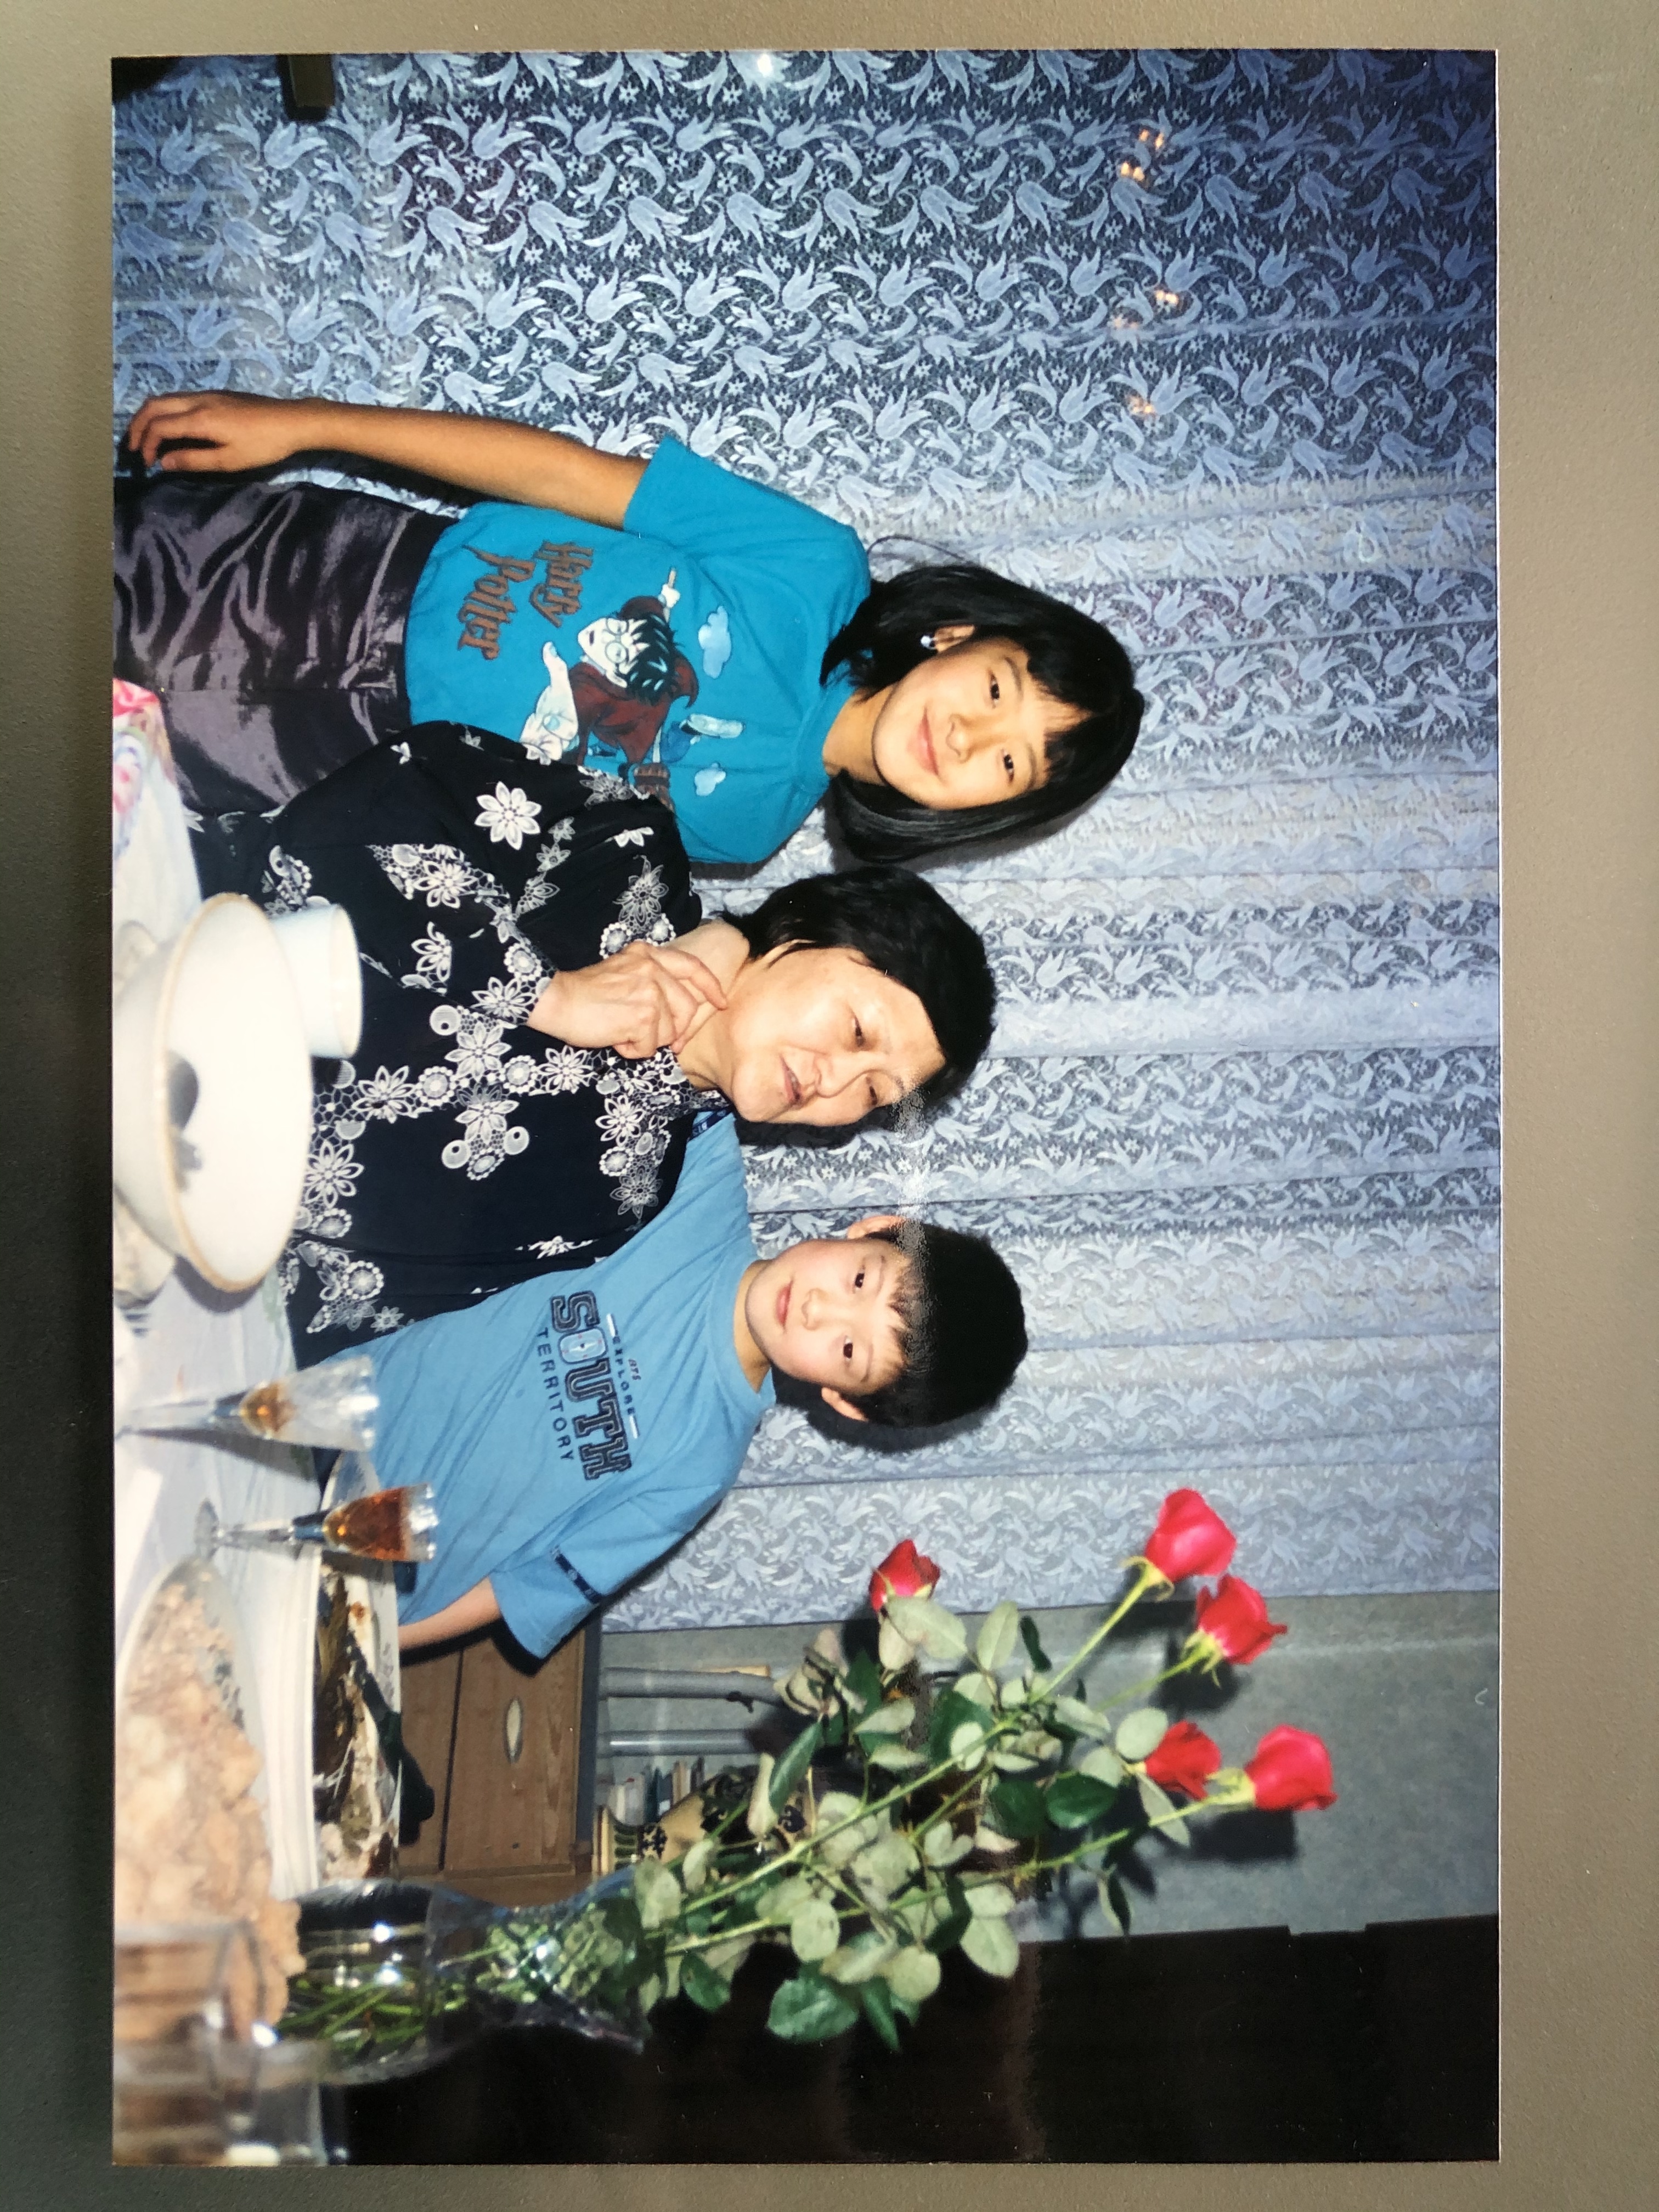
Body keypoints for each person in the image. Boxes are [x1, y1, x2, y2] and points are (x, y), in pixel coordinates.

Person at [208, 718, 995, 1361]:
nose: (835, 1082)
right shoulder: (627, 855)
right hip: (171, 960)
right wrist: (549, 995)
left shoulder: (628, 1195)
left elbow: (351, 1298)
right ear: (802, 936)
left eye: (873, 1093)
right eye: (857, 1031)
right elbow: (360, 822)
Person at [117, 391, 1144, 864]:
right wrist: (306, 423)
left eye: (1006, 766)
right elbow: (558, 472)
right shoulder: (812, 566)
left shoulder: (744, 832)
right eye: (999, 692)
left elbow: (498, 838)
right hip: (335, 575)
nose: (966, 738)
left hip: (332, 766)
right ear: (958, 636)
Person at [322, 1113, 1028, 1658]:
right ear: (875, 1227)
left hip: (350, 1575)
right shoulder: (699, 1176)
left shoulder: (700, 1467)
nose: (819, 1310)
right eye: (860, 1280)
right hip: (322, 1386)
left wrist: (362, 1643)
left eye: (849, 1350)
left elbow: (517, 1593)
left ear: (845, 1401)